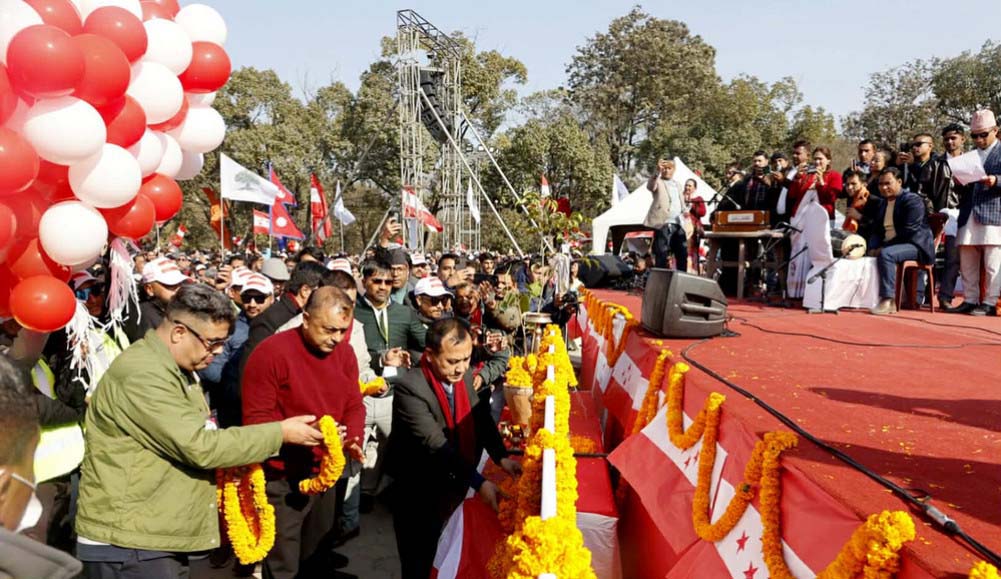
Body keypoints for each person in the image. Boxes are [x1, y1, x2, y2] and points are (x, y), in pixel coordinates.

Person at [75, 284, 325, 579]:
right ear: (179, 333)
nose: (218, 352)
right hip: (129, 542)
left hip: (150, 534)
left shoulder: (172, 367)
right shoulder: (143, 375)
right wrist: (279, 433)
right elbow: (199, 446)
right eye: (212, 343)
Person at [243, 287, 365, 579]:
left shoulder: (345, 353)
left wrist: (353, 439)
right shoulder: (271, 353)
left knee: (318, 556)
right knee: (283, 563)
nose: (336, 338)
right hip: (282, 477)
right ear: (306, 318)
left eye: (342, 331)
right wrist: (294, 433)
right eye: (329, 329)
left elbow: (354, 404)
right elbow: (255, 421)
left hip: (325, 472)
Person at [386, 319, 520, 579]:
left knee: (448, 554)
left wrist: (502, 457)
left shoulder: (464, 376)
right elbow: (436, 444)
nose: (460, 368)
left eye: (466, 359)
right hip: (418, 489)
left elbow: (479, 416)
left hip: (452, 480)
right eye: (452, 361)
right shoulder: (410, 388)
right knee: (419, 561)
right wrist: (479, 482)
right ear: (430, 355)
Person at [0, 354, 83, 579]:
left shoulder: (46, 360)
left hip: (59, 469)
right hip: (37, 474)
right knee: (31, 546)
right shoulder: (11, 362)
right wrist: (74, 411)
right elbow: (38, 406)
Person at [199, 273, 273, 428]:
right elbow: (211, 371)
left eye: (259, 298)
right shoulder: (230, 329)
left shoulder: (279, 325)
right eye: (247, 298)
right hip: (232, 408)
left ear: (271, 298)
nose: (252, 304)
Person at [865, 168, 935, 315]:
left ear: (899, 182)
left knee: (886, 254)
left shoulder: (912, 200)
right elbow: (876, 231)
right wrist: (872, 248)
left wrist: (883, 247)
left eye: (888, 183)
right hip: (892, 245)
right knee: (868, 253)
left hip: (916, 245)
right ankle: (865, 298)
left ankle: (888, 301)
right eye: (881, 184)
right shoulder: (883, 203)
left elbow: (908, 231)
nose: (884, 188)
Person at [240, 261, 334, 368]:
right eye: (321, 291)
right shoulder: (269, 321)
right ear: (305, 291)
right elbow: (251, 367)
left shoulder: (305, 314)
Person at [955, 109, 1001, 316]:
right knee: (967, 258)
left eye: (984, 134)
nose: (979, 139)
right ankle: (970, 299)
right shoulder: (969, 156)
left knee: (993, 260)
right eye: (975, 135)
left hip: (994, 210)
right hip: (969, 212)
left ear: (996, 131)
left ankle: (990, 302)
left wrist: (996, 180)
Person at [122, 257, 189, 343]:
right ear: (149, 289)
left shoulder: (172, 308)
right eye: (170, 285)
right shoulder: (142, 316)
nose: (177, 289)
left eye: (179, 284)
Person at [939, 123, 969, 310]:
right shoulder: (936, 163)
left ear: (962, 139)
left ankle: (972, 299)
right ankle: (941, 296)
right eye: (946, 139)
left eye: (953, 138)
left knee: (959, 258)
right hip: (941, 215)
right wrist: (935, 212)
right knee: (945, 257)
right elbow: (924, 191)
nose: (950, 142)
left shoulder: (971, 162)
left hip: (965, 215)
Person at [644, 158, 687, 270]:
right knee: (661, 253)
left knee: (682, 253)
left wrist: (686, 215)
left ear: (674, 170)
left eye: (669, 168)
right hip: (663, 223)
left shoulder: (678, 185)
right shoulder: (658, 181)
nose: (666, 171)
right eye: (664, 168)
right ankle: (661, 282)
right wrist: (657, 172)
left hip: (678, 224)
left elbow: (682, 203)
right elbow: (650, 187)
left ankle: (682, 279)